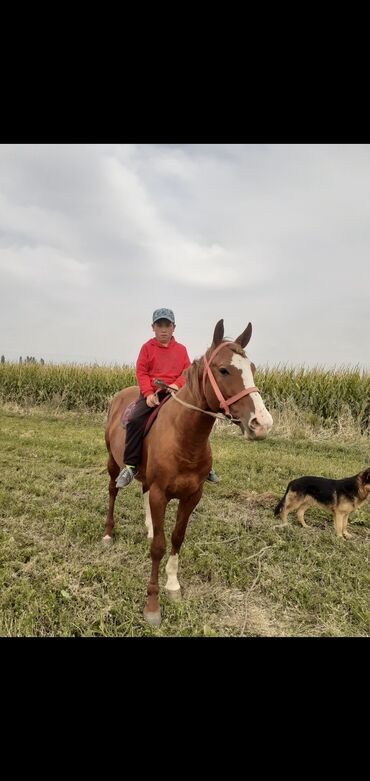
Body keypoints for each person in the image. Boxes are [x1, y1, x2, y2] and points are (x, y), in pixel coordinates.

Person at [116, 308, 219, 488]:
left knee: (196, 422)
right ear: (153, 327)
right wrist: (148, 394)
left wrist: (176, 385)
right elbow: (141, 372)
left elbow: (187, 372)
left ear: (173, 327)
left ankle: (206, 466)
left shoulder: (181, 350)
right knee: (134, 420)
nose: (163, 329)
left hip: (175, 394)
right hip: (153, 394)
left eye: (167, 325)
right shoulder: (147, 348)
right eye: (159, 325)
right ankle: (131, 466)